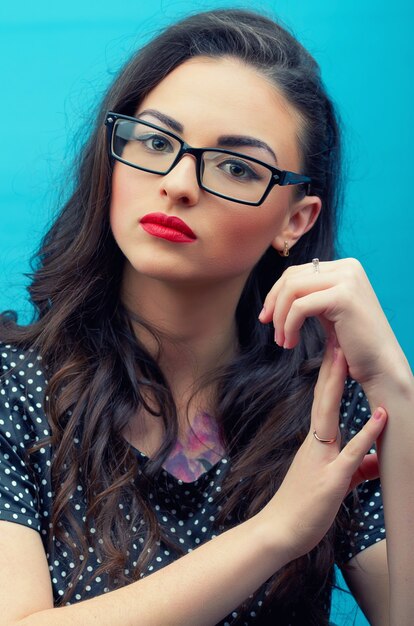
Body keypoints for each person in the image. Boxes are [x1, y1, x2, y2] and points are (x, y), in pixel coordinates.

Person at [0, 8, 412, 625]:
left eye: (237, 166)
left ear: (294, 221)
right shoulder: (15, 386)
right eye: (156, 141)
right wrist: (275, 533)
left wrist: (394, 388)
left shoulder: (326, 406)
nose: (178, 183)